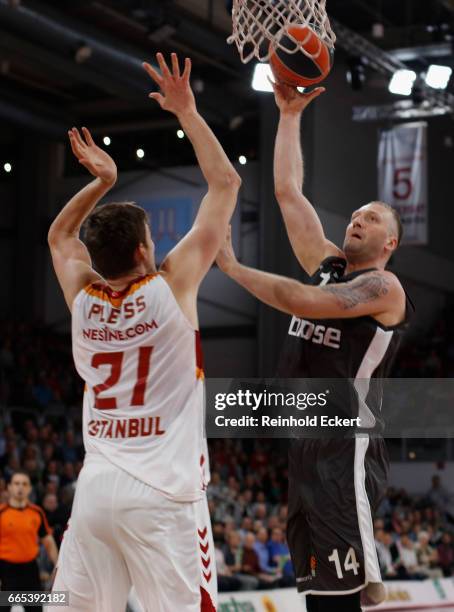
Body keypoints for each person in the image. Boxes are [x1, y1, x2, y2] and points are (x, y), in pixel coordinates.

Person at [47, 52, 241, 612]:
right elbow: (225, 183)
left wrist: (100, 181)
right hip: (164, 497)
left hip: (97, 491)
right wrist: (187, 110)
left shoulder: (82, 296)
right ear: (142, 250)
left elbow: (60, 238)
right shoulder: (171, 286)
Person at [216, 81, 413, 611]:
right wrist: (287, 114)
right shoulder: (330, 267)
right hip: (304, 447)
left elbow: (301, 299)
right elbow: (287, 193)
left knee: (339, 601)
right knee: (318, 598)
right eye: (355, 214)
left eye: (371, 217)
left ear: (389, 242)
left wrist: (233, 268)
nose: (356, 219)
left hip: (346, 449)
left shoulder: (383, 289)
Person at [0, 472, 58, 612]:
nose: (20, 487)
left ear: (29, 489)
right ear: (9, 487)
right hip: (5, 570)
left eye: (24, 484)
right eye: (16, 483)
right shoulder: (2, 512)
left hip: (30, 570)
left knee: (35, 609)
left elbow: (48, 542)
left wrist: (58, 567)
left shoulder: (36, 512)